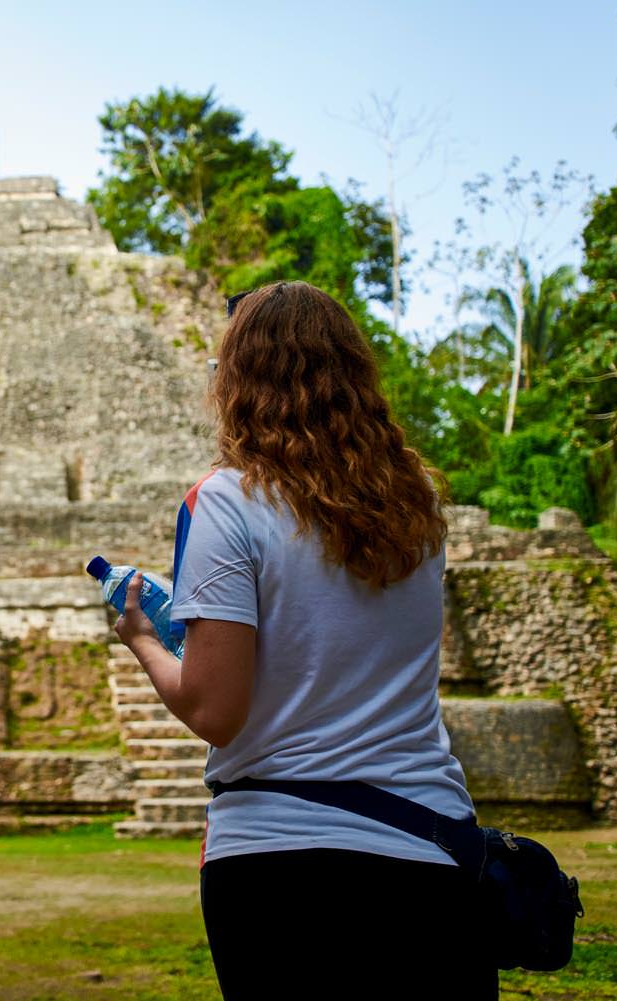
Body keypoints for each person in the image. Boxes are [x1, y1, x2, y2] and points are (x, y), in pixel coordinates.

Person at [114, 280, 496, 999]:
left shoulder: (226, 502)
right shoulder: (418, 502)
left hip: (281, 863)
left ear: (238, 380)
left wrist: (143, 639)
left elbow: (216, 709)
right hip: (433, 845)